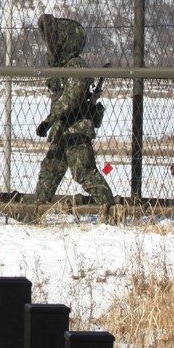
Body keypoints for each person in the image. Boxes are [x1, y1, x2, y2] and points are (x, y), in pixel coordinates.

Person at [34, 14, 113, 206]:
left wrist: (48, 121)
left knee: (84, 172)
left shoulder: (76, 66)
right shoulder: (62, 66)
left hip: (75, 130)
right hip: (61, 130)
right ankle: (34, 211)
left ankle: (109, 209)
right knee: (49, 171)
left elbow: (71, 98)